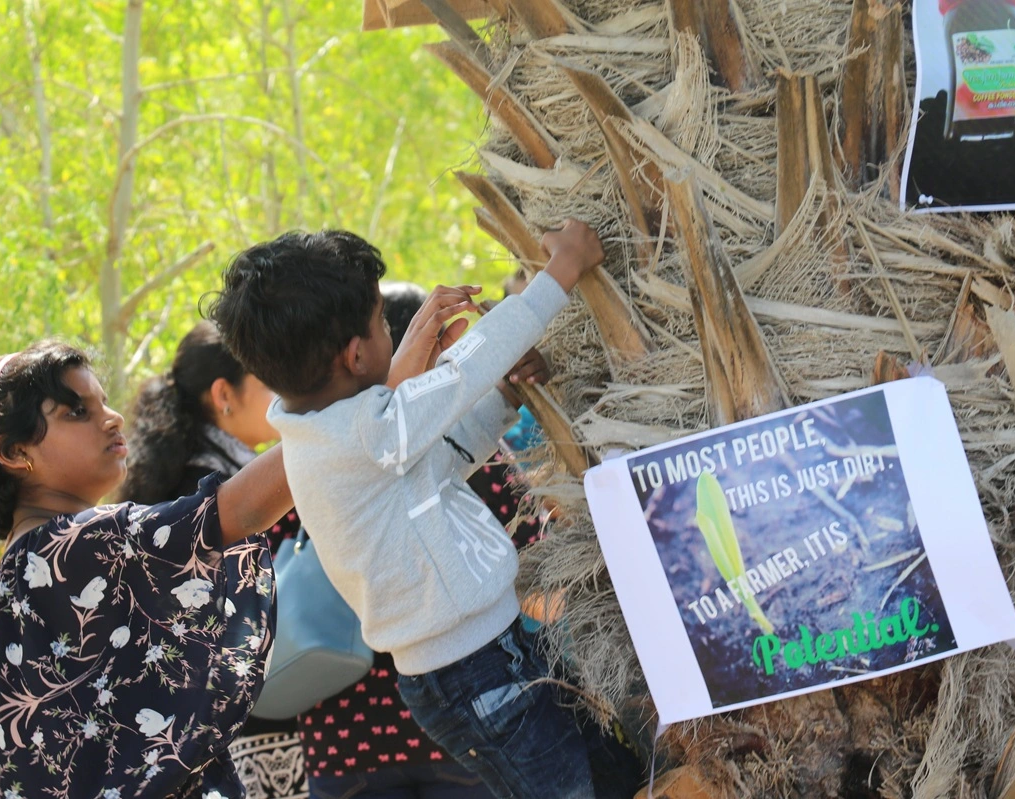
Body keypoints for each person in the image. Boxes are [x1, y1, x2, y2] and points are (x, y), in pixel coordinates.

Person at [208, 222, 643, 799]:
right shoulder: (359, 433)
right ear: (357, 353)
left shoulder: (342, 434)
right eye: (383, 323)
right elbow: (464, 374)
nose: (397, 337)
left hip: (495, 649)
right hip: (470, 673)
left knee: (619, 776)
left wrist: (507, 396)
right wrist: (558, 273)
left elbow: (448, 453)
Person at [0, 340, 292, 798]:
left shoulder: (14, 573)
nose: (112, 417)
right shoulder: (78, 545)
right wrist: (340, 417)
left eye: (103, 402)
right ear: (15, 452)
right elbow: (238, 511)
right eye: (76, 412)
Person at [297, 282, 542, 799]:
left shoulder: (313, 457)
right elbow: (534, 551)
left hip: (345, 738)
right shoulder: (403, 442)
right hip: (460, 723)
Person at [117, 321, 309, 798]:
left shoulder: (176, 484)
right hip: (252, 717)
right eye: (268, 382)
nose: (283, 393)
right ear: (224, 393)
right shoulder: (224, 495)